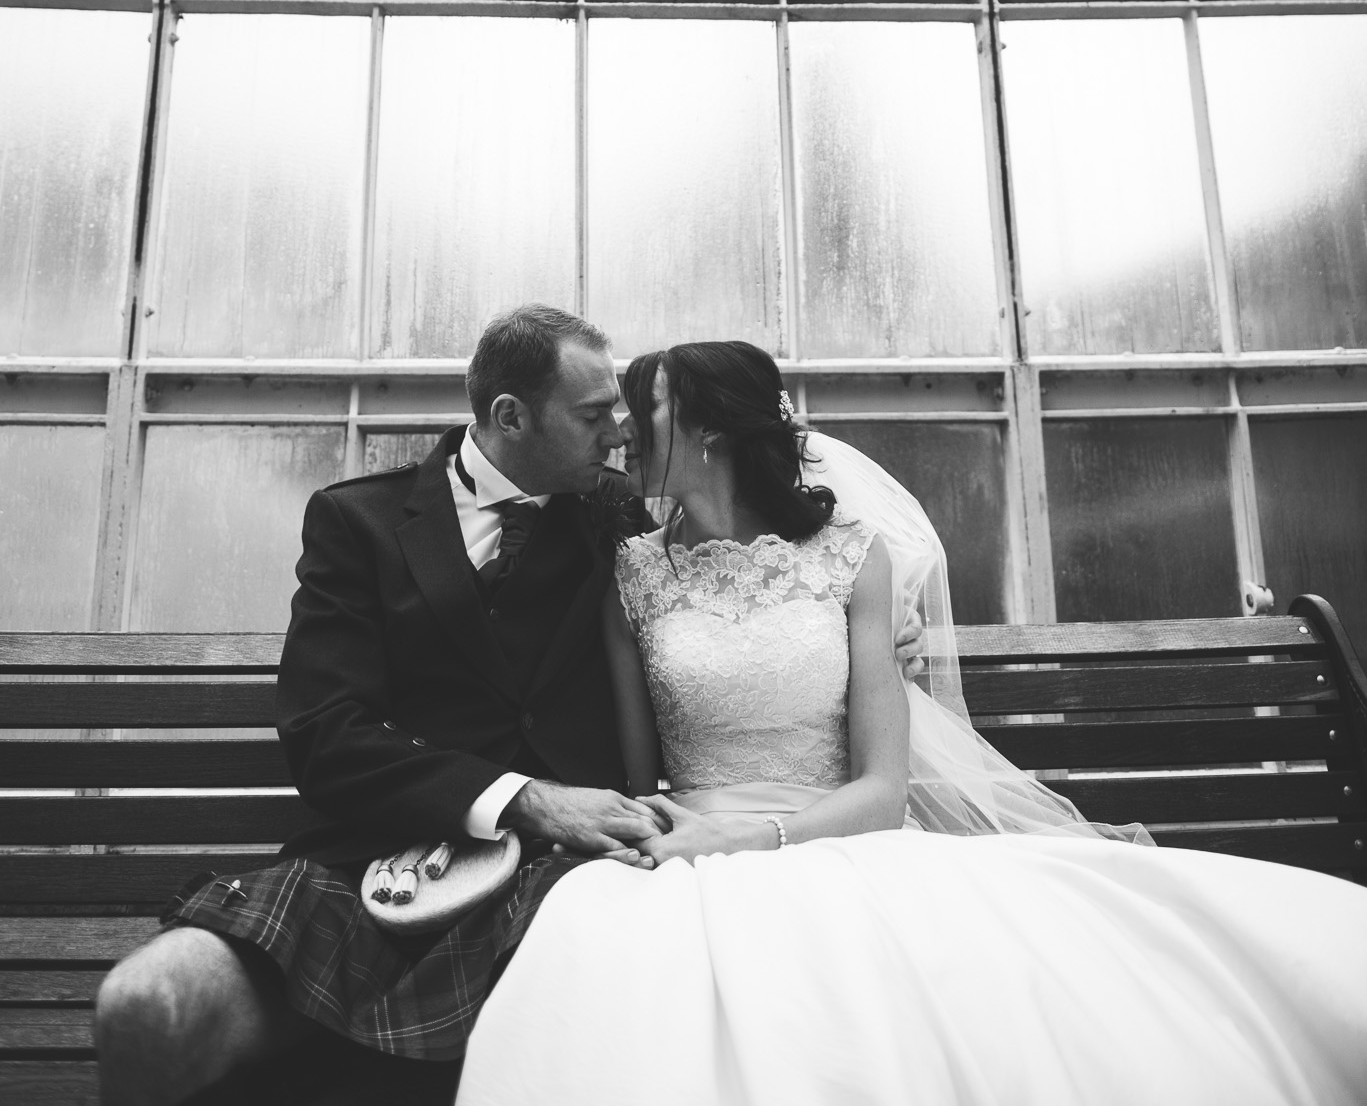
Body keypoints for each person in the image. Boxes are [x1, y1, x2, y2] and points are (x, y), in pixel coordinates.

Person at [455, 340, 1367, 1106]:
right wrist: (666, 831)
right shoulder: (631, 570)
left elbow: (882, 792)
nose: (618, 429)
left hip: (840, 838)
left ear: (706, 431)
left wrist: (749, 834)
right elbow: (635, 769)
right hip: (682, 847)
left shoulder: (856, 560)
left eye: (638, 411)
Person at [93, 302, 931, 1103]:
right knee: (148, 1004)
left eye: (626, 413)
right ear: (510, 416)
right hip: (370, 859)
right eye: (596, 413)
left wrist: (868, 622)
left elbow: (751, 562)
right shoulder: (359, 523)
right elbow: (325, 733)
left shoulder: (620, 517)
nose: (620, 432)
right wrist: (522, 799)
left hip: (566, 879)